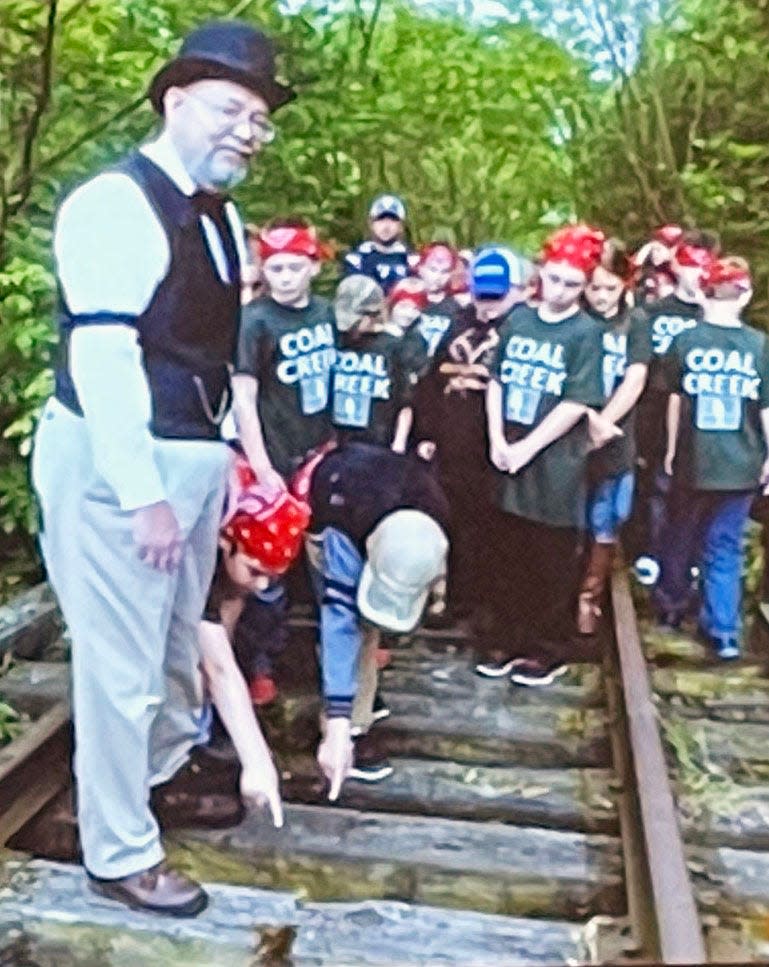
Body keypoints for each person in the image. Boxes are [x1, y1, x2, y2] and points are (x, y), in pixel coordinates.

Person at [31, 20, 293, 916]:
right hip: (119, 465)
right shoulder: (114, 203)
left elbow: (202, 350)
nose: (247, 131)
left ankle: (160, 768)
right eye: (230, 109)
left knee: (179, 640)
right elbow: (105, 360)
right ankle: (117, 847)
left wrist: (220, 469)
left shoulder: (221, 214)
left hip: (189, 457)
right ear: (175, 101)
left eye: (259, 118)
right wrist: (143, 494)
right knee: (121, 662)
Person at [479, 225, 609, 686]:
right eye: (554, 279)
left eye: (572, 284)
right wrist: (497, 438)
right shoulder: (518, 320)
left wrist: (529, 447)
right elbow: (496, 380)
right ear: (540, 275)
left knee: (548, 555)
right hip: (507, 451)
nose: (560, 291)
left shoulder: (586, 333)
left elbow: (578, 402)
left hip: (554, 463)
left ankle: (546, 647)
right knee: (506, 550)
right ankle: (506, 639)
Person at [296, 442, 449, 799]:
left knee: (368, 625)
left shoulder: (436, 512)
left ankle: (358, 703)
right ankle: (350, 726)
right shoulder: (344, 528)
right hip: (331, 498)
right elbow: (339, 623)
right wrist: (338, 725)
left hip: (388, 499)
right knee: (351, 624)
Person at [410, 246, 533, 626]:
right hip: (453, 442)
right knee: (454, 521)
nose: (489, 304)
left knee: (497, 528)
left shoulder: (523, 327)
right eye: (483, 294)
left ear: (517, 290)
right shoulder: (458, 320)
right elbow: (432, 379)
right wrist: (426, 431)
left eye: (497, 295)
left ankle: (491, 604)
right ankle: (457, 599)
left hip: (499, 445)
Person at [655, 257, 769, 660]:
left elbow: (674, 400)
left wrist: (669, 450)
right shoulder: (759, 345)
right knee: (725, 545)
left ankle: (670, 605)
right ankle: (724, 630)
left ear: (706, 292)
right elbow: (766, 408)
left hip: (693, 460)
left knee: (680, 534)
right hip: (741, 464)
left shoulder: (685, 341)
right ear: (746, 296)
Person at [199, 453, 311, 825]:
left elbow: (223, 630)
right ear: (224, 541)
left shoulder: (236, 567)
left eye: (272, 576)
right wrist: (258, 762)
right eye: (255, 571)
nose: (262, 584)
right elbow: (217, 665)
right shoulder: (197, 556)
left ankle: (201, 728)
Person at [628, 229, 720, 585]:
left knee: (693, 488)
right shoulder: (651, 313)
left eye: (704, 265)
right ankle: (650, 551)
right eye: (691, 263)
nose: (697, 273)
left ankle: (686, 560)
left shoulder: (713, 315)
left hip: (698, 415)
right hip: (652, 409)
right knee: (654, 483)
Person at [577, 239, 651, 634]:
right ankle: (572, 593)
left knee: (608, 515)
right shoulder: (579, 320)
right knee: (575, 515)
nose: (602, 296)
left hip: (616, 434)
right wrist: (587, 419)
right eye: (595, 288)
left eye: (610, 287)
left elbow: (636, 376)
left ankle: (591, 593)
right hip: (573, 429)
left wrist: (605, 421)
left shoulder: (635, 321)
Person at [330, 275, 414, 449]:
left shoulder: (393, 346)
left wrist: (399, 444)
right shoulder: (335, 342)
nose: (349, 329)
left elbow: (405, 403)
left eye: (355, 322)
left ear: (372, 314)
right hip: (338, 444)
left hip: (378, 443)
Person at [401, 243, 464, 377]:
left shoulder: (455, 307)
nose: (438, 277)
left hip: (438, 374)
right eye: (433, 269)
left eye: (444, 272)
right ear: (420, 268)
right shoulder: (406, 300)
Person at [341, 194, 413, 293]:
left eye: (393, 220)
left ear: (401, 226)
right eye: (381, 219)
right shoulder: (356, 260)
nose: (386, 226)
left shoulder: (411, 261)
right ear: (371, 223)